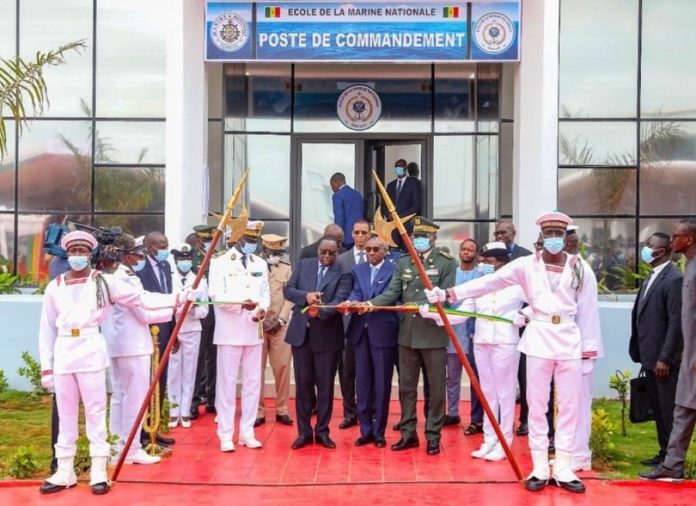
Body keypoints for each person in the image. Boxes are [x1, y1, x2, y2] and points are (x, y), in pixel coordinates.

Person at [426, 211, 602, 493]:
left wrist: (588, 353)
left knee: (569, 406)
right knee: (536, 403)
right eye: (550, 234)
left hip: (569, 338)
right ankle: (540, 465)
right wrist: (449, 294)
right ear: (541, 236)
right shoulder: (525, 266)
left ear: (566, 236)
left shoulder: (581, 268)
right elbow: (487, 283)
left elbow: (589, 313)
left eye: (560, 234)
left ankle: (565, 465)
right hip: (539, 338)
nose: (554, 239)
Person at [38, 231, 194, 495]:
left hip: (89, 349)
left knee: (96, 412)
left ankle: (99, 467)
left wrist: (178, 298)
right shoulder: (56, 286)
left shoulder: (104, 282)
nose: (77, 256)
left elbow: (141, 298)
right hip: (64, 350)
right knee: (66, 413)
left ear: (90, 254)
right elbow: (46, 329)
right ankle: (65, 468)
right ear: (68, 254)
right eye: (73, 251)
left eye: (82, 251)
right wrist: (47, 367)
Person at [421, 241, 526, 462]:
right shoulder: (479, 287)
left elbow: (541, 303)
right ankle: (489, 439)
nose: (484, 266)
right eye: (483, 262)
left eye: (489, 262)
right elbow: (461, 316)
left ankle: (505, 440)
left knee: (505, 394)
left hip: (506, 343)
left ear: (501, 264)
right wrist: (433, 315)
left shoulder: (519, 286)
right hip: (482, 342)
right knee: (487, 393)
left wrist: (526, 314)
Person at [365, 217, 456, 456]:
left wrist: (421, 305)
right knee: (406, 387)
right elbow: (394, 291)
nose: (420, 241)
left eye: (424, 237)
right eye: (416, 237)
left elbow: (444, 296)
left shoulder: (446, 263)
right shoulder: (405, 262)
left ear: (433, 239)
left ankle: (433, 435)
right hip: (407, 335)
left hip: (433, 334)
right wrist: (370, 304)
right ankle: (408, 434)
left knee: (435, 390)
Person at [102, 234, 173, 466]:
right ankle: (130, 448)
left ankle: (117, 446)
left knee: (120, 397)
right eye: (137, 254)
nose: (140, 258)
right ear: (129, 255)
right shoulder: (125, 279)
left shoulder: (118, 276)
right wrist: (175, 305)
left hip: (119, 345)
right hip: (133, 345)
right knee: (133, 398)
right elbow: (143, 311)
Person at [640, 218, 696, 483]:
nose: (673, 240)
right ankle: (672, 465)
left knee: (682, 408)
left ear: (690, 239)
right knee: (682, 408)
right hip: (689, 357)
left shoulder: (682, 274)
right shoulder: (688, 266)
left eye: (677, 236)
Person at [283, 236, 352, 449]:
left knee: (325, 387)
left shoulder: (343, 271)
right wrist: (306, 296)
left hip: (327, 337)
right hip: (301, 336)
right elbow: (288, 291)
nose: (327, 256)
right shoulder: (304, 265)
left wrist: (318, 311)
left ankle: (322, 431)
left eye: (331, 253)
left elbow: (339, 300)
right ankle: (304, 432)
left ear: (338, 251)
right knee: (303, 386)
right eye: (323, 252)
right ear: (318, 250)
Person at [209, 221, 270, 452]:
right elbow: (215, 294)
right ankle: (225, 434)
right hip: (229, 331)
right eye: (249, 240)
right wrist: (239, 305)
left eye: (255, 240)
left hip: (254, 329)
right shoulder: (220, 262)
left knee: (253, 384)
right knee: (226, 384)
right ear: (237, 238)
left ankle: (247, 431)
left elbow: (264, 293)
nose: (252, 244)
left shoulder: (260, 263)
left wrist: (261, 309)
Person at [628, 233, 683, 468]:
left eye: (650, 246)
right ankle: (663, 453)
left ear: (662, 251)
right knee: (658, 410)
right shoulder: (653, 275)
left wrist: (665, 358)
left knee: (668, 410)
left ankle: (672, 461)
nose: (645, 249)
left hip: (663, 362)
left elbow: (676, 322)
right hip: (649, 357)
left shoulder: (674, 279)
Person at [339, 236, 399, 448]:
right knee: (362, 383)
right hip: (360, 332)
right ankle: (365, 430)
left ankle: (379, 431)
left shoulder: (394, 270)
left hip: (383, 331)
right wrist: (351, 301)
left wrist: (369, 304)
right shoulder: (359, 269)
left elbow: (392, 295)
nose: (371, 252)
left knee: (382, 384)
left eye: (375, 249)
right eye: (367, 249)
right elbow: (355, 290)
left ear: (384, 251)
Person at [493, 219, 534, 437]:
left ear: (514, 233)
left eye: (504, 232)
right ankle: (497, 420)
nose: (500, 236)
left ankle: (525, 420)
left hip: (523, 326)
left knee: (524, 376)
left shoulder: (526, 256)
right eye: (497, 232)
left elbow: (533, 291)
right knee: (499, 377)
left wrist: (525, 314)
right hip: (497, 328)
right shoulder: (490, 256)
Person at [136, 231, 175, 448]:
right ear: (149, 246)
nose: (164, 250)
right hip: (148, 329)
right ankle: (142, 433)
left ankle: (154, 428)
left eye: (166, 245)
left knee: (161, 380)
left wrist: (173, 329)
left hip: (165, 329)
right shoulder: (140, 267)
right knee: (147, 382)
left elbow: (169, 297)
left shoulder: (166, 266)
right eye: (161, 246)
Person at [335, 219, 372, 429]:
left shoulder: (377, 255)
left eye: (363, 232)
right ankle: (350, 412)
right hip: (347, 322)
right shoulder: (342, 260)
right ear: (352, 234)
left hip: (370, 321)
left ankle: (370, 410)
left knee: (369, 369)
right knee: (347, 370)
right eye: (356, 232)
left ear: (369, 234)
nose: (360, 235)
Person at [254, 234, 294, 427]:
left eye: (280, 252)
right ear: (266, 250)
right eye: (274, 252)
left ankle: (282, 409)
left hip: (280, 324)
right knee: (256, 369)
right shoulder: (254, 266)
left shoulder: (286, 268)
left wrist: (281, 319)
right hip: (257, 324)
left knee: (283, 367)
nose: (277, 256)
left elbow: (290, 295)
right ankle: (258, 411)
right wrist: (258, 317)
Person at [443, 239, 483, 432]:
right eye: (464, 249)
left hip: (475, 334)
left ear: (476, 254)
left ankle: (477, 419)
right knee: (452, 377)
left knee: (477, 379)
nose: (467, 252)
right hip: (453, 334)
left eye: (471, 250)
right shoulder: (452, 274)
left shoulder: (482, 275)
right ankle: (452, 413)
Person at [168, 244, 209, 429]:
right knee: (174, 371)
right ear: (175, 261)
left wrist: (193, 309)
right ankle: (173, 411)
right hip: (174, 329)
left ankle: (185, 411)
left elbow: (205, 310)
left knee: (190, 371)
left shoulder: (200, 280)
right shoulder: (169, 278)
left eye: (187, 259)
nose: (184, 263)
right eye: (180, 260)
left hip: (192, 328)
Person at [189, 225, 218, 420]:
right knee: (197, 358)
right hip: (199, 312)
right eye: (206, 240)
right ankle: (193, 400)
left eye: (211, 240)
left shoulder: (219, 258)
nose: (208, 244)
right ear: (198, 240)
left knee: (214, 358)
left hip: (217, 311)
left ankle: (212, 399)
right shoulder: (190, 258)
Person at [384, 159, 422, 249]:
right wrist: (388, 215)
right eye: (397, 167)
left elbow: (416, 206)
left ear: (406, 168)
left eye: (401, 166)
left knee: (407, 251)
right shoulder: (390, 185)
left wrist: (399, 217)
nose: (398, 169)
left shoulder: (414, 184)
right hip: (392, 227)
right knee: (393, 252)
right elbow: (384, 204)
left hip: (407, 226)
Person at [330, 172, 364, 249]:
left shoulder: (338, 195)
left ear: (337, 183)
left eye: (331, 185)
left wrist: (338, 238)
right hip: (359, 235)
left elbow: (339, 218)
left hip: (346, 238)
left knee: (344, 260)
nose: (332, 188)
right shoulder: (357, 194)